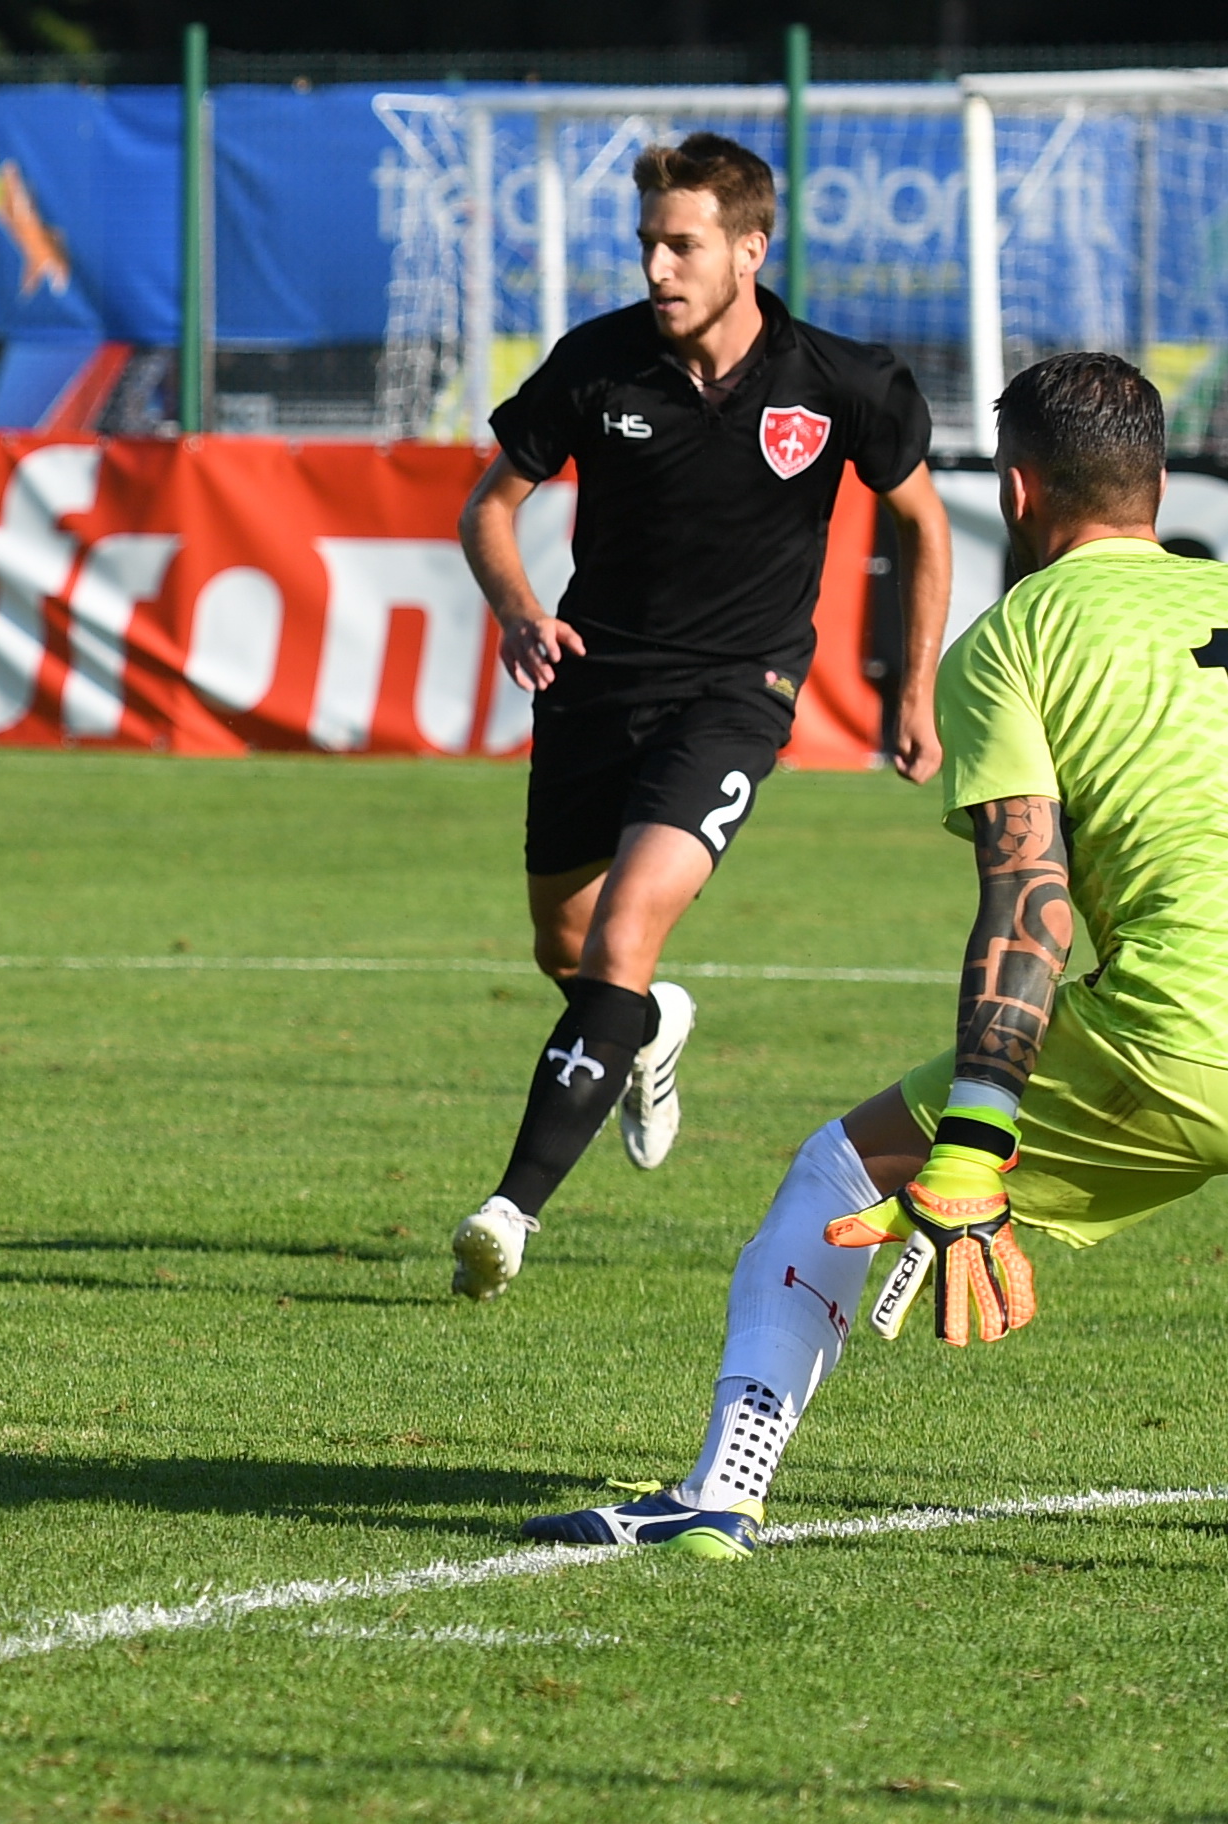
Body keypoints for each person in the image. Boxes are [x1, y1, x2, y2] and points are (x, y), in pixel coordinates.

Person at [525, 351, 1228, 1555]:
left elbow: (1027, 904)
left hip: (1183, 1042)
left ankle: (720, 1491)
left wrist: (972, 1139)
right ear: (1158, 483)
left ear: (1015, 493)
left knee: (839, 1174)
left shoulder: (1014, 641)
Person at [449, 132, 954, 1301]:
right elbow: (490, 510)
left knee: (623, 935)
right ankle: (651, 1026)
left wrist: (911, 689)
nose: (658, 268)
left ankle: (506, 1212)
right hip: (590, 688)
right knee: (569, 955)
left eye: (682, 246)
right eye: (647, 245)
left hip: (737, 696)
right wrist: (520, 609)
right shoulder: (597, 364)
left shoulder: (838, 382)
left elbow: (922, 524)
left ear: (747, 249)